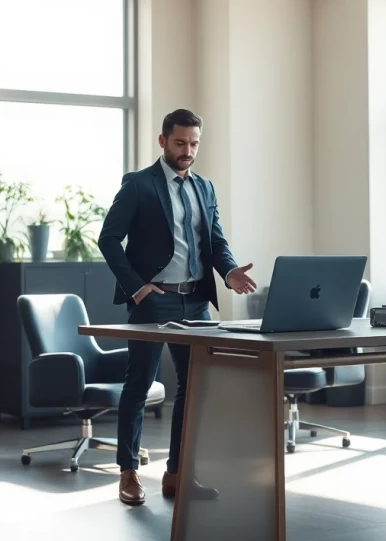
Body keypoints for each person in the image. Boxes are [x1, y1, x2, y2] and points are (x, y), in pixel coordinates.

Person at [97, 108, 257, 506]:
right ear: (163, 141)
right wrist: (136, 288)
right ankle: (129, 473)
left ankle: (178, 473)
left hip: (196, 301)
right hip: (155, 301)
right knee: (138, 387)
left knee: (194, 388)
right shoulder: (138, 185)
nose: (188, 150)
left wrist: (230, 270)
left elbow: (215, 241)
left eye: (194, 144)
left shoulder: (205, 187)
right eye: (181, 142)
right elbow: (108, 239)